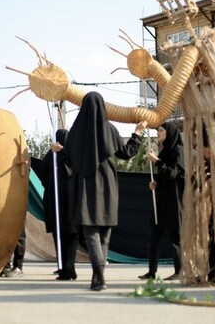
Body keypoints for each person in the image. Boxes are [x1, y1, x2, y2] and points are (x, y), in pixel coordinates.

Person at [63, 91, 147, 291]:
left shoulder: (75, 131)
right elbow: (126, 153)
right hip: (107, 187)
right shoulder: (109, 129)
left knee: (91, 233)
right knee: (105, 234)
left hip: (85, 187)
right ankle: (98, 276)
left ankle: (98, 277)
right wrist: (137, 133)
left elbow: (68, 160)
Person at [138, 121, 185, 281]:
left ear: (170, 133)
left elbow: (172, 174)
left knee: (175, 238)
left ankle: (180, 271)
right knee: (154, 237)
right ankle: (152, 271)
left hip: (174, 201)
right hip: (161, 200)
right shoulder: (165, 152)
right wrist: (155, 183)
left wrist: (157, 161)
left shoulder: (178, 152)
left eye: (161, 131)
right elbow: (163, 176)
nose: (158, 133)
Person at [43, 128, 78, 280]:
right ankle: (64, 267)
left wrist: (57, 152)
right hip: (67, 202)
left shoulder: (60, 155)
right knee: (65, 235)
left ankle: (67, 268)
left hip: (59, 202)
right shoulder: (56, 155)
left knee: (65, 235)